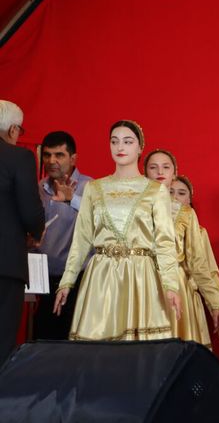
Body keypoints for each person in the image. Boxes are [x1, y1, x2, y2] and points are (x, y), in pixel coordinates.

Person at [54, 121, 181, 340]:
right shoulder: (94, 188)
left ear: (140, 147)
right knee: (99, 347)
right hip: (101, 275)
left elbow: (165, 241)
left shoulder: (156, 190)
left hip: (140, 276)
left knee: (137, 350)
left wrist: (171, 284)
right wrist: (67, 281)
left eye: (127, 142)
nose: (120, 147)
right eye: (114, 142)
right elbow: (82, 238)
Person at [144, 149, 219, 347]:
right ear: (145, 173)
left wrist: (216, 304)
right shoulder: (133, 207)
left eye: (166, 167)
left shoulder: (185, 214)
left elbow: (199, 263)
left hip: (175, 287)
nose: (160, 172)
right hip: (141, 282)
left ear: (174, 174)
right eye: (153, 167)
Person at [32, 131, 93, 340]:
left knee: (73, 346)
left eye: (59, 155)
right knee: (42, 343)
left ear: (73, 158)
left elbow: (101, 222)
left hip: (78, 283)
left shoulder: (89, 187)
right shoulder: (39, 188)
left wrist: (72, 200)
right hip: (43, 283)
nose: (52, 161)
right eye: (47, 155)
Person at [0, 100, 45, 363]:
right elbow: (30, 211)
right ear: (13, 129)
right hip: (5, 265)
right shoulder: (19, 157)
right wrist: (36, 232)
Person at [171, 175, 219, 343]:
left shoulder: (200, 233)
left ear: (189, 200)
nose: (175, 197)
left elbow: (209, 274)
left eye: (181, 193)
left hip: (185, 299)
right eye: (170, 192)